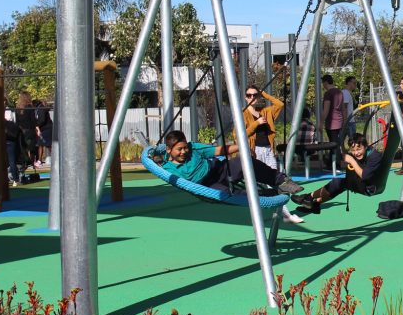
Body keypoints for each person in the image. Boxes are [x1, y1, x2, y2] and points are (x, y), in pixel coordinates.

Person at [161, 129, 304, 196]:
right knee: (225, 194)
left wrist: (242, 146)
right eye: (179, 149)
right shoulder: (167, 169)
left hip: (219, 169)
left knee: (244, 162)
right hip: (206, 185)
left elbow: (219, 151)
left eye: (185, 147)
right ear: (169, 150)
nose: (184, 151)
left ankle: (281, 181)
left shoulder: (193, 148)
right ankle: (266, 194)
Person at [243, 87, 303, 224]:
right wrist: (255, 123)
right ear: (245, 97)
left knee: (277, 181)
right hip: (254, 151)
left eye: (255, 95)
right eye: (249, 95)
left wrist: (263, 93)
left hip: (268, 150)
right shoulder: (243, 113)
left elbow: (280, 104)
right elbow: (240, 134)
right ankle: (259, 214)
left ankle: (285, 214)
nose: (252, 97)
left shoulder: (266, 112)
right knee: (255, 184)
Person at [290, 133, 382, 214]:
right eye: (353, 150)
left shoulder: (374, 156)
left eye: (359, 149)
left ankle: (308, 197)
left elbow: (365, 176)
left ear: (366, 146)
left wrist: (351, 161)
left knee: (338, 182)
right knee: (339, 184)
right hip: (363, 184)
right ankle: (315, 203)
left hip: (370, 188)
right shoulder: (362, 155)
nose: (356, 153)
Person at [320, 75, 346, 168]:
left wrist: (321, 123)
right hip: (339, 121)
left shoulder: (328, 94)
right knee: (336, 143)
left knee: (333, 144)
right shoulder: (339, 92)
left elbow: (326, 110)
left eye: (323, 83)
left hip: (331, 123)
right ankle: (332, 163)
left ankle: (335, 164)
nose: (323, 85)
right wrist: (344, 121)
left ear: (326, 82)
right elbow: (343, 108)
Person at [32, 99, 52, 166]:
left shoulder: (40, 109)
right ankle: (40, 160)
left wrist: (36, 125)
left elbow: (42, 120)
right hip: (46, 128)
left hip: (46, 129)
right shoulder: (40, 108)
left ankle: (40, 160)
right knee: (45, 144)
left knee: (43, 144)